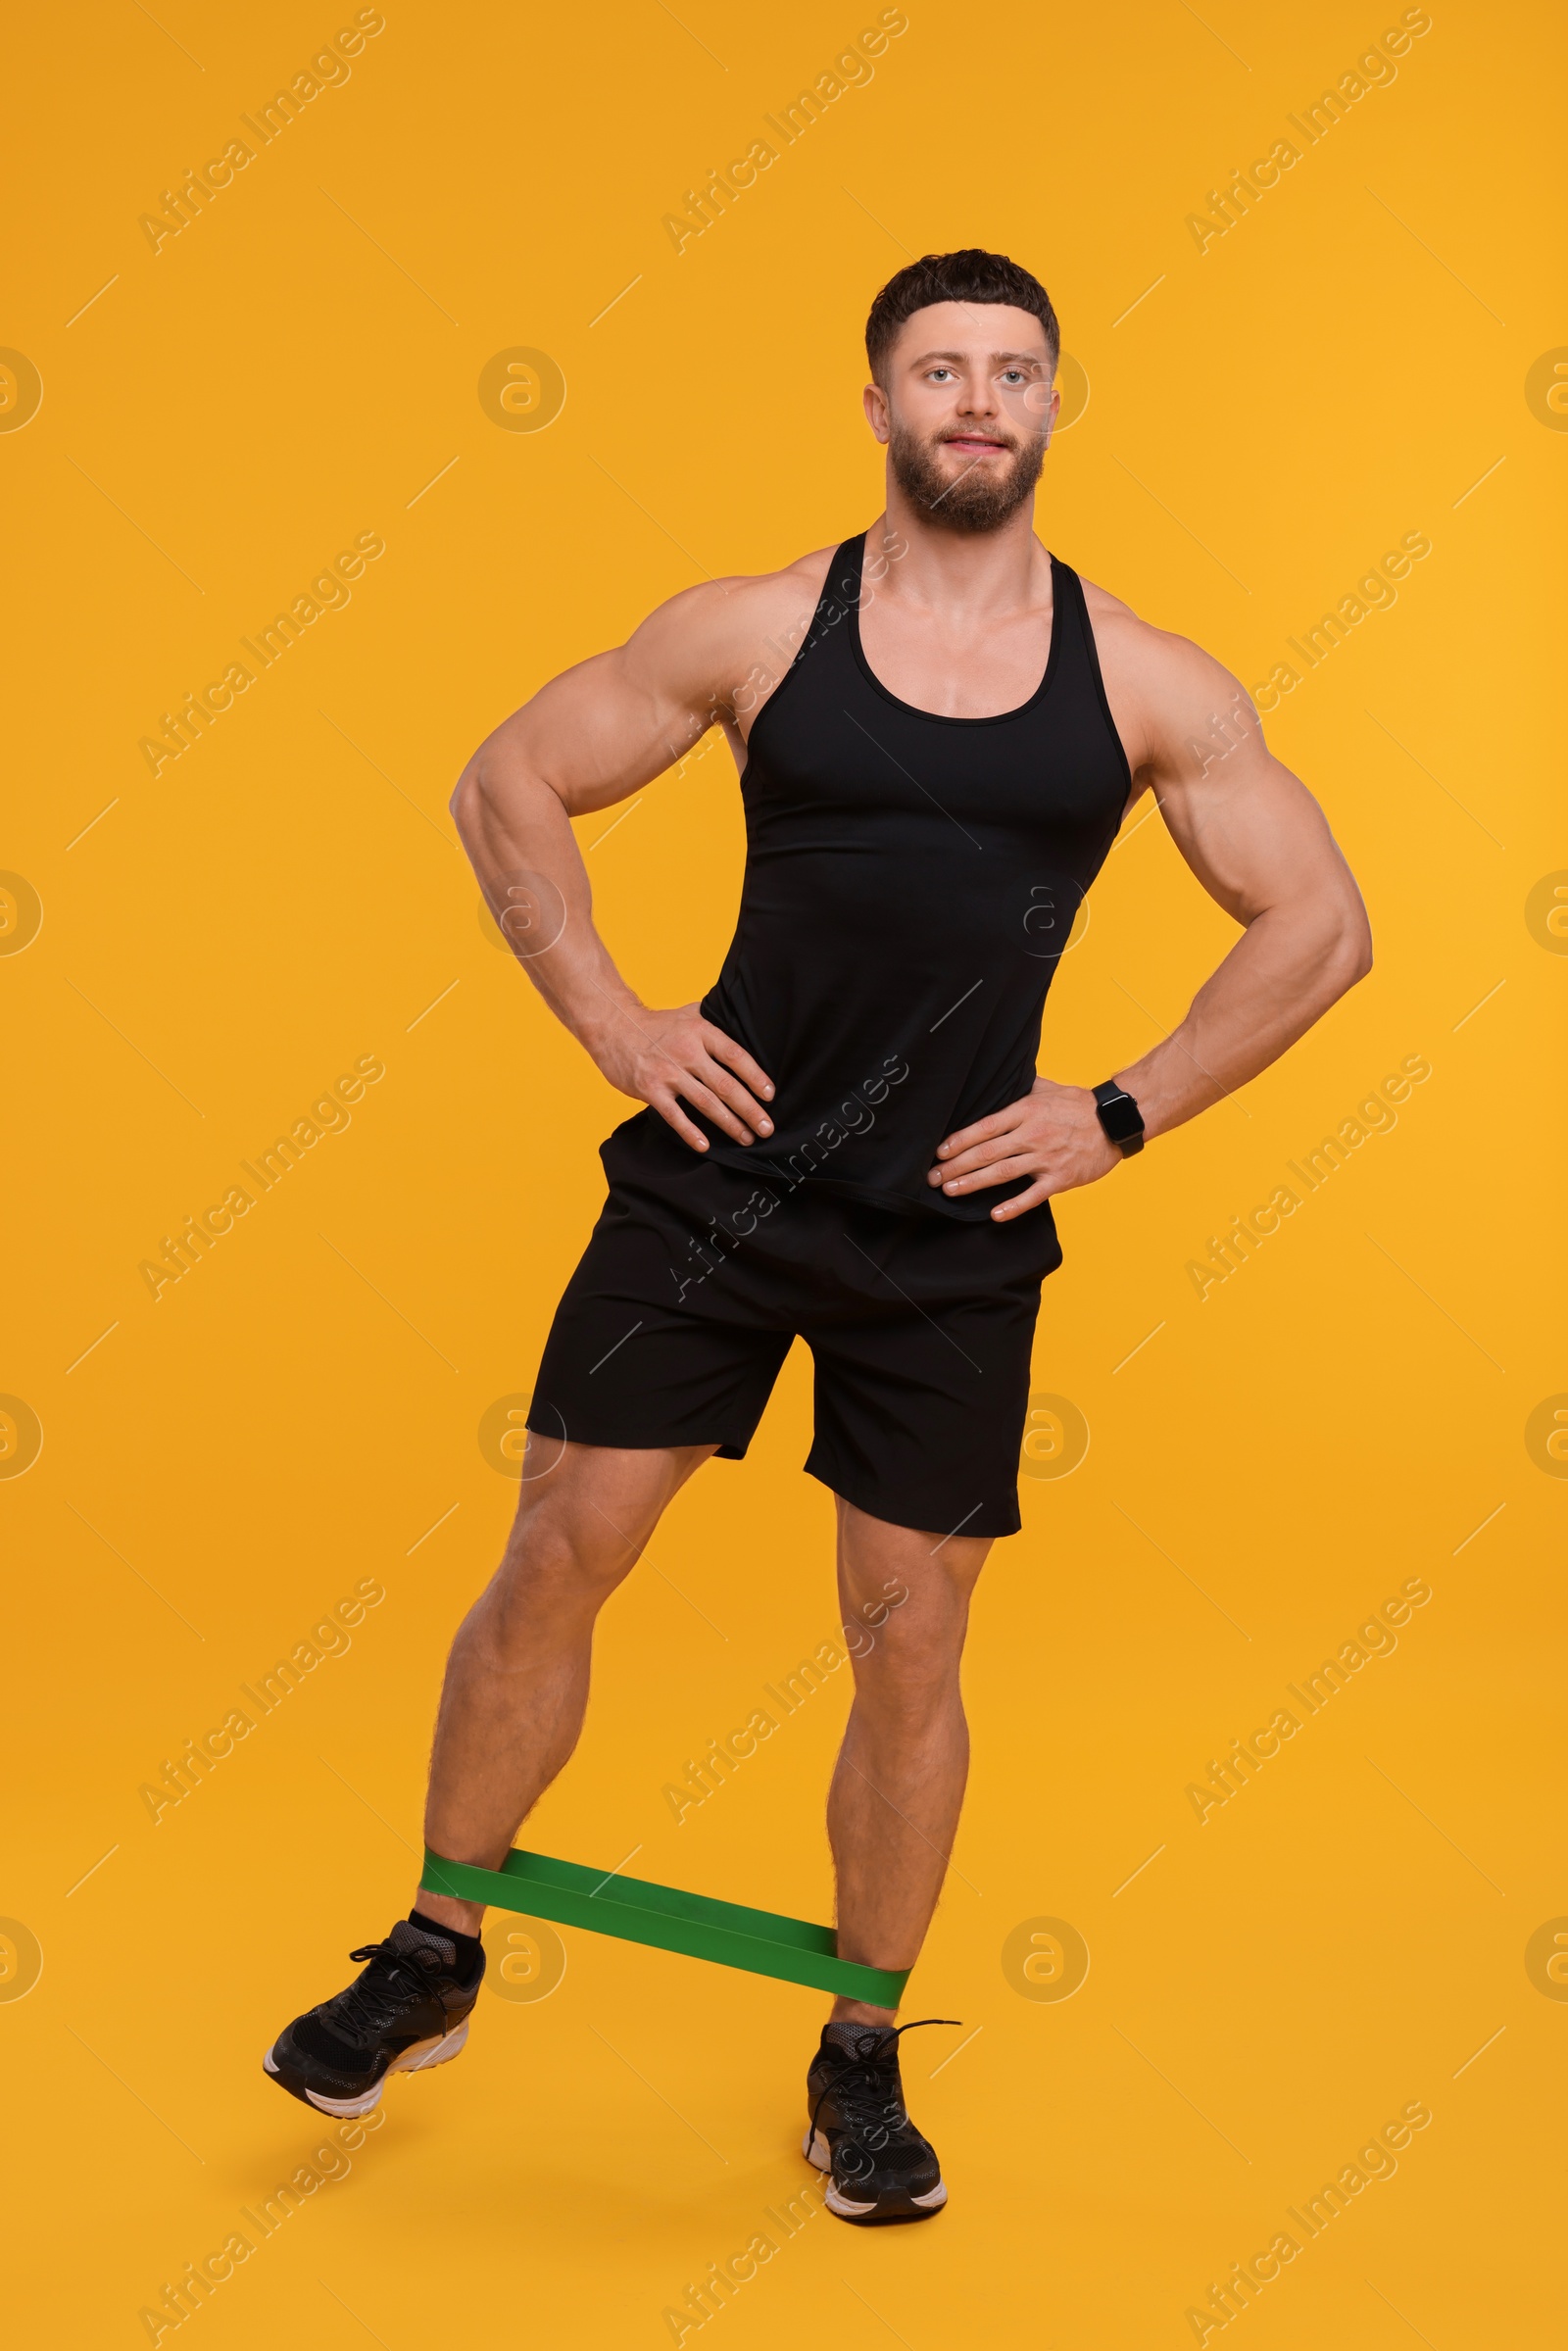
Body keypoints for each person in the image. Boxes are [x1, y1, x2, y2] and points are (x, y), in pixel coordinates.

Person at [266, 249, 1371, 2225]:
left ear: (1049, 409)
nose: (972, 399)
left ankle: (855, 2051)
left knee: (907, 1639)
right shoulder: (759, 629)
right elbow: (508, 778)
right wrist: (611, 1020)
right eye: (935, 369)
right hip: (720, 1183)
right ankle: (433, 1947)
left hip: (950, 1228)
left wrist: (1118, 1110)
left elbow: (1319, 925)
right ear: (873, 403)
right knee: (554, 1548)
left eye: (1008, 373)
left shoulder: (1139, 678)